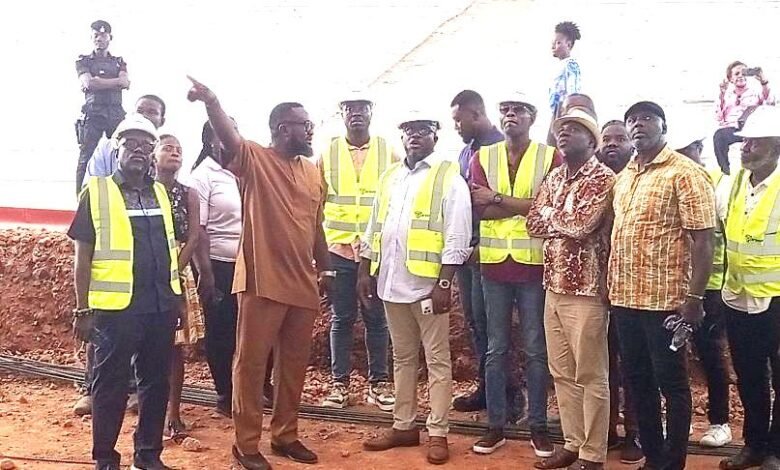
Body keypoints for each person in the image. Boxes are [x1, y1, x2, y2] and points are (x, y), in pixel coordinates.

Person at [187, 76, 331, 470]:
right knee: (250, 366)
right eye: (305, 123)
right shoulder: (254, 158)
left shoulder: (313, 171)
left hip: (303, 283)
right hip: (262, 281)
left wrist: (328, 271)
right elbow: (230, 138)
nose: (311, 129)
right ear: (284, 129)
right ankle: (245, 446)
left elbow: (316, 225)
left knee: (293, 367)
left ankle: (285, 435)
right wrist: (212, 102)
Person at [69, 113, 181, 470]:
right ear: (116, 149)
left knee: (155, 383)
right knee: (111, 386)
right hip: (117, 310)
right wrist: (82, 310)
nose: (138, 150)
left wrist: (177, 299)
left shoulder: (160, 193)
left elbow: (169, 250)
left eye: (146, 145)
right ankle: (105, 458)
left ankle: (148, 456)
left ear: (152, 153)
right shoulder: (97, 193)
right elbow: (82, 257)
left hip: (159, 306)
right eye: (130, 143)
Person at [359, 115, 472, 466]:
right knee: (403, 358)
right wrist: (365, 269)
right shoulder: (390, 176)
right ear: (402, 137)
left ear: (436, 136)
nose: (415, 136)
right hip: (391, 284)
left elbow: (458, 234)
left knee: (437, 361)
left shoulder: (447, 177)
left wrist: (443, 283)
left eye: (423, 131)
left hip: (427, 289)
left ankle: (438, 432)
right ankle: (404, 425)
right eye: (408, 131)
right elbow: (375, 224)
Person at [610, 101, 716, 470]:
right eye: (632, 120)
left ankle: (673, 463)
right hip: (624, 298)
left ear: (663, 126)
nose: (638, 125)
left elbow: (704, 240)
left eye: (646, 118)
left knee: (672, 384)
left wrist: (694, 298)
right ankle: (653, 458)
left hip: (666, 302)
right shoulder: (626, 175)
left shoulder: (684, 173)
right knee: (638, 381)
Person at [469, 93, 560, 457]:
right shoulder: (482, 157)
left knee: (536, 348)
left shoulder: (548, 157)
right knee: (496, 348)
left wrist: (497, 198)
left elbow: (548, 209)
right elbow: (478, 208)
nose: (510, 115)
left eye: (518, 110)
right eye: (504, 110)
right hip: (493, 265)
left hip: (532, 265)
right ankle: (496, 424)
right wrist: (520, 206)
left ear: (532, 117)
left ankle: (537, 425)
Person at [527, 109, 614, 470]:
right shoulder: (556, 175)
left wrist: (549, 215)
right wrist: (549, 215)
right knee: (561, 372)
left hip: (587, 290)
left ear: (591, 141)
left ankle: (593, 454)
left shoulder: (602, 178)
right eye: (561, 129)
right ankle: (573, 443)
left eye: (573, 129)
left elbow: (582, 225)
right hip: (553, 286)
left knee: (591, 374)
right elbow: (532, 222)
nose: (563, 134)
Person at [319, 94, 396, 412]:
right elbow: (317, 202)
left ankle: (378, 384)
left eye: (362, 109)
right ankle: (340, 384)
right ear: (342, 113)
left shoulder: (387, 151)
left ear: (371, 112)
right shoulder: (329, 152)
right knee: (342, 318)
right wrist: (319, 259)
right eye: (349, 109)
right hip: (338, 248)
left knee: (377, 318)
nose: (356, 114)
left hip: (374, 250)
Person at [717, 106, 780, 470]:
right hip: (738, 296)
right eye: (745, 140)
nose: (746, 147)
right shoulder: (736, 181)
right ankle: (754, 445)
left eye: (755, 142)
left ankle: (777, 449)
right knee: (750, 375)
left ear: (776, 147)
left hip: (776, 298)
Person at [190, 121, 265, 419]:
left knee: (251, 328)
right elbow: (201, 229)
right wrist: (205, 273)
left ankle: (254, 387)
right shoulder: (203, 176)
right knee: (222, 331)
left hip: (250, 262)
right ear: (211, 140)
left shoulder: (243, 170)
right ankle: (225, 393)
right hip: (219, 265)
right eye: (225, 133)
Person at [449, 90, 509, 414]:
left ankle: (508, 397)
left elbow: (498, 202)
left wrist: (480, 243)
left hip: (491, 251)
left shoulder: (500, 148)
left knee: (494, 328)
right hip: (466, 251)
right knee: (475, 323)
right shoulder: (465, 152)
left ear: (476, 114)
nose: (456, 126)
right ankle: (486, 389)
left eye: (459, 119)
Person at [671, 133, 733, 449]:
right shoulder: (667, 176)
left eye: (686, 150)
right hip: (672, 286)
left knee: (710, 354)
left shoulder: (717, 183)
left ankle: (720, 421)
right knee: (671, 356)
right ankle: (676, 422)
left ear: (698, 149)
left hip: (709, 287)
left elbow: (722, 238)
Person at [596, 119, 643, 465]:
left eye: (619, 139)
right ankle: (608, 429)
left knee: (635, 365)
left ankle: (636, 433)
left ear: (632, 145)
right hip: (598, 288)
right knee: (604, 363)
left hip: (635, 288)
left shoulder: (638, 179)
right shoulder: (595, 180)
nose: (611, 144)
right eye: (606, 139)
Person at [154, 134, 204, 441]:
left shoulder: (189, 193)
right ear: (153, 155)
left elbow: (195, 236)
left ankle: (173, 413)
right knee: (146, 346)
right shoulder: (143, 190)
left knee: (175, 347)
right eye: (168, 148)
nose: (174, 153)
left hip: (177, 269)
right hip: (145, 269)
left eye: (179, 150)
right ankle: (150, 410)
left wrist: (172, 271)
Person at [75, 20, 129, 193]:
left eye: (103, 35)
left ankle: (122, 194)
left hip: (115, 113)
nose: (99, 39)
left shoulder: (119, 61)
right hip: (93, 114)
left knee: (120, 155)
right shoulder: (84, 61)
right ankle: (81, 198)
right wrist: (115, 82)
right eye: (96, 35)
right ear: (92, 38)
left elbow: (125, 82)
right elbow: (88, 83)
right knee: (86, 156)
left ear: (109, 38)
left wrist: (99, 81)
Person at [83, 95, 167, 186]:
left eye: (152, 112)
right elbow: (93, 188)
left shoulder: (168, 149)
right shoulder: (107, 147)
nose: (144, 116)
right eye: (139, 111)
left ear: (162, 121)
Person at [714, 61, 775, 175]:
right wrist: (721, 94)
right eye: (737, 74)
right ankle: (725, 170)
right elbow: (719, 118)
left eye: (744, 73)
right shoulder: (726, 94)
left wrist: (763, 82)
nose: (741, 76)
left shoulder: (755, 92)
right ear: (730, 78)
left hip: (750, 129)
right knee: (718, 136)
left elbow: (770, 104)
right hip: (732, 129)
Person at [547, 21, 582, 146]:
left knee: (555, 141)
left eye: (558, 43)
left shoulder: (570, 64)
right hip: (556, 108)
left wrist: (568, 108)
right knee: (551, 141)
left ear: (568, 44)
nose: (553, 46)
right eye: (553, 43)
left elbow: (573, 88)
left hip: (563, 108)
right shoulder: (559, 66)